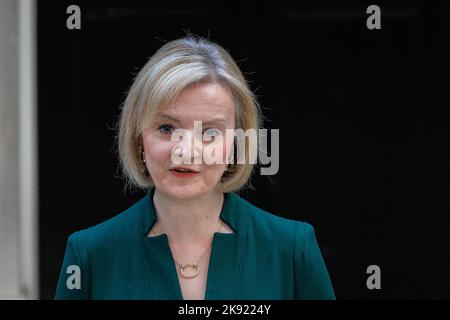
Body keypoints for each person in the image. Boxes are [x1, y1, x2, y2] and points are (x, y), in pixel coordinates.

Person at [55, 34, 335, 300]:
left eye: (210, 133)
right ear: (139, 137)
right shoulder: (90, 255)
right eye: (166, 128)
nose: (187, 150)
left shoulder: (292, 248)